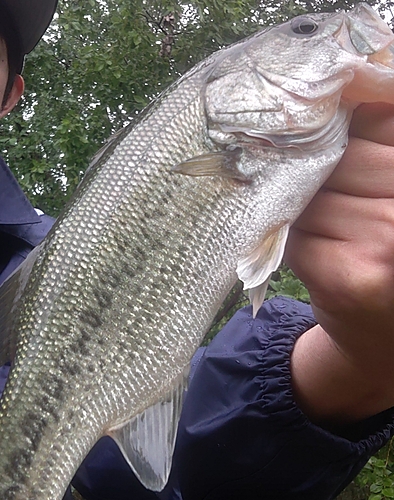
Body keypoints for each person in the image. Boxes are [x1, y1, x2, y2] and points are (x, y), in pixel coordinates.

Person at [1, 2, 394, 500]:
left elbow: (189, 471)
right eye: (306, 30)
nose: (326, 34)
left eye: (306, 31)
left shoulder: (37, 268)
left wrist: (360, 363)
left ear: (11, 93)